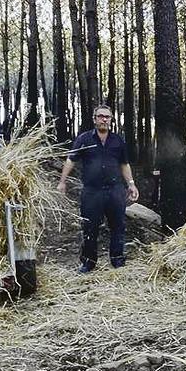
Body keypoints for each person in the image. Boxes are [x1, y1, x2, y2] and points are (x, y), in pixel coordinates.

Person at [58, 105, 140, 272]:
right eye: (100, 116)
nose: (104, 119)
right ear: (94, 119)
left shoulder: (118, 140)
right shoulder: (84, 139)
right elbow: (70, 160)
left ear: (111, 120)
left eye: (107, 117)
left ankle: (117, 260)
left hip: (115, 190)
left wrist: (131, 184)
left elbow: (124, 164)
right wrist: (62, 182)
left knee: (118, 226)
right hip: (92, 192)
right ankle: (88, 262)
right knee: (89, 227)